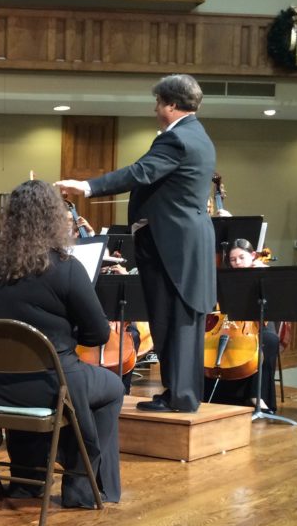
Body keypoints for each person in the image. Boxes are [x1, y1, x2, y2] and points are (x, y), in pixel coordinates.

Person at [56, 73, 216, 414]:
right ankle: (180, 394)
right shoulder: (198, 135)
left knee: (172, 318)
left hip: (173, 247)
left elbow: (139, 172)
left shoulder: (177, 139)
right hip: (184, 243)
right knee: (178, 319)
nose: (155, 109)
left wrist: (86, 187)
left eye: (158, 102)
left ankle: (180, 397)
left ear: (171, 105)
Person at [0, 180, 124, 507]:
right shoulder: (66, 267)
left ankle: (28, 481)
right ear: (53, 218)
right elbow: (98, 334)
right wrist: (69, 337)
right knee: (112, 387)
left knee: (37, 373)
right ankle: (84, 488)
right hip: (51, 386)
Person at [204, 238, 280, 411]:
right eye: (232, 260)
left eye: (241, 258)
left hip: (257, 323)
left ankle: (256, 395)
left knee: (269, 341)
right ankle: (210, 393)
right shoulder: (226, 278)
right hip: (229, 322)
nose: (237, 263)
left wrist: (264, 275)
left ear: (252, 255)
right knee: (206, 343)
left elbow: (274, 303)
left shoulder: (262, 274)